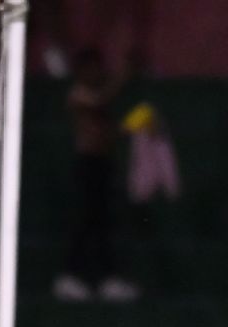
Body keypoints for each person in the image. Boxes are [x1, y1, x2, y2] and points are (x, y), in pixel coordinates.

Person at [54, 47, 139, 302]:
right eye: (90, 67)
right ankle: (69, 278)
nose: (96, 72)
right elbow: (100, 100)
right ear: (80, 70)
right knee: (85, 222)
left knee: (102, 223)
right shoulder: (78, 94)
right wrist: (123, 77)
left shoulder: (99, 101)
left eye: (98, 67)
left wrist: (132, 125)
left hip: (103, 163)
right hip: (87, 165)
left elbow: (109, 133)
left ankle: (107, 280)